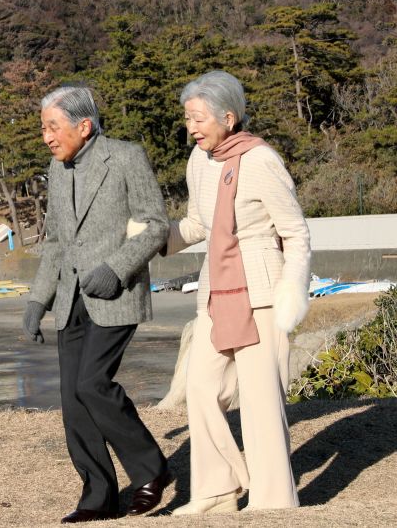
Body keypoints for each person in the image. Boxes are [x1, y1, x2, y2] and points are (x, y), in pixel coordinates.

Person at [163, 71, 310, 514]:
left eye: (199, 118)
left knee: (262, 399)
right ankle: (216, 492)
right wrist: (149, 239)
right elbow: (197, 224)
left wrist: (292, 293)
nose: (192, 127)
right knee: (202, 388)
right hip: (216, 290)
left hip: (262, 290)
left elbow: (296, 232)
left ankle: (272, 501)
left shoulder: (262, 160)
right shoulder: (198, 161)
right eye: (188, 118)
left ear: (229, 117)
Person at [24, 85, 172, 522]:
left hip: (116, 294)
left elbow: (156, 225)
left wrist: (116, 268)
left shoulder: (126, 156)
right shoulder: (57, 168)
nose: (47, 137)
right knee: (73, 400)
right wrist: (38, 299)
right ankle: (98, 497)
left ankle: (150, 470)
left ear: (83, 126)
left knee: (91, 383)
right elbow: (54, 242)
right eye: (44, 128)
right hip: (69, 299)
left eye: (53, 127)